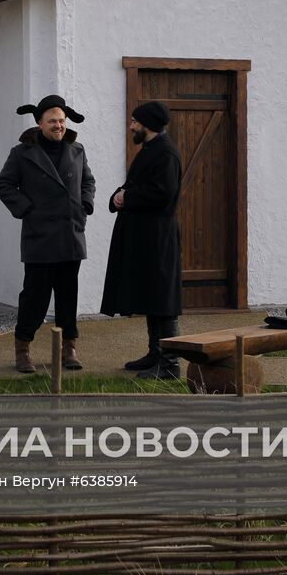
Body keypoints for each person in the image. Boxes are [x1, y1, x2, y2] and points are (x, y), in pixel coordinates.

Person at [0, 95, 96, 374]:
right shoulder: (22, 153)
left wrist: (85, 204)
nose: (58, 126)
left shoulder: (77, 150)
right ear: (39, 123)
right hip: (40, 237)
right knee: (34, 298)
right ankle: (23, 349)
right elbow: (3, 185)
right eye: (52, 121)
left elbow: (88, 181)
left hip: (70, 235)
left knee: (68, 296)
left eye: (62, 121)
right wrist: (27, 209)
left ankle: (69, 349)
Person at [100, 101, 184, 379]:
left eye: (135, 121)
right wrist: (118, 196)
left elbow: (163, 192)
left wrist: (128, 197)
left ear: (147, 125)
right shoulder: (150, 149)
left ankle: (169, 364)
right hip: (144, 235)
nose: (131, 125)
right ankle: (155, 354)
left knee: (162, 297)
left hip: (158, 237)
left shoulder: (166, 153)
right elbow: (138, 185)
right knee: (151, 293)